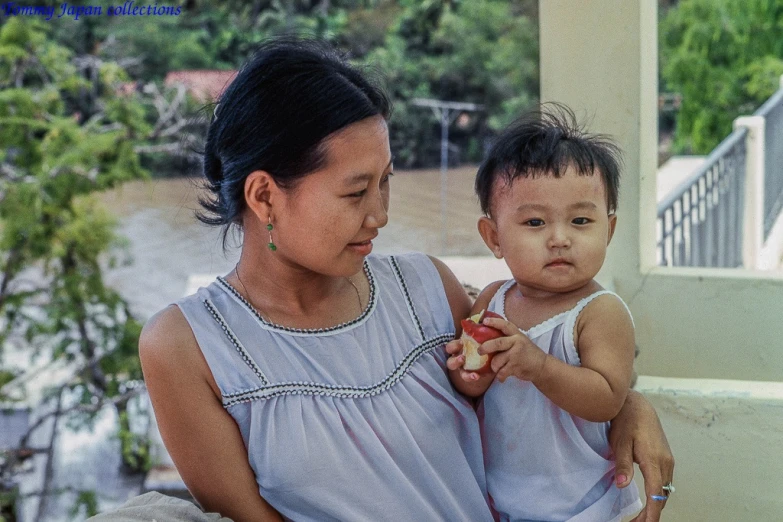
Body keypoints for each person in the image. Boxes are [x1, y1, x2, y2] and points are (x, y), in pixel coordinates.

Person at [132, 38, 673, 522]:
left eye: (386, 182)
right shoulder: (187, 349)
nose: (381, 214)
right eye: (355, 192)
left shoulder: (426, 287)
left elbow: (542, 354)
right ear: (265, 196)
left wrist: (628, 404)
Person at [446, 106, 648, 521]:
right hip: (505, 499)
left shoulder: (599, 312)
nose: (559, 239)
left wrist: (537, 365)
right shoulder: (492, 300)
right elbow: (472, 388)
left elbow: (608, 398)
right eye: (535, 222)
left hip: (588, 506)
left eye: (580, 220)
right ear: (494, 237)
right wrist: (469, 371)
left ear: (607, 231)